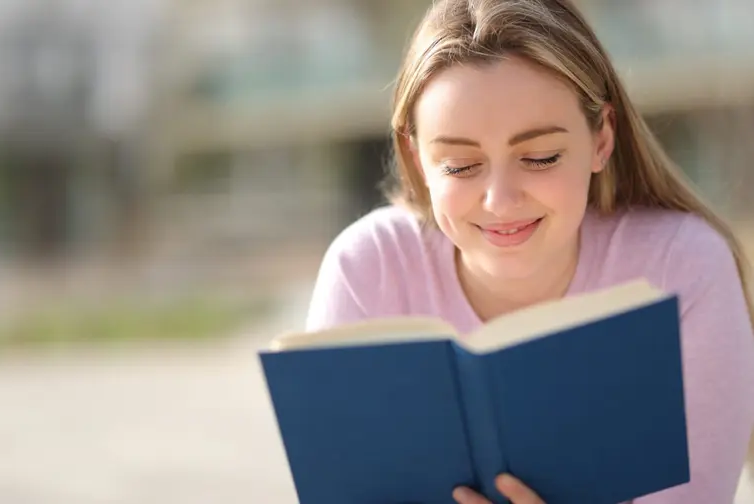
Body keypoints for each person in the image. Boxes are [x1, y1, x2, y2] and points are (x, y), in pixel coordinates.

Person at [304, 0, 754, 502]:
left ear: (602, 138)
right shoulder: (366, 271)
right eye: (458, 165)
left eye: (540, 158)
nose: (500, 200)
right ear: (417, 157)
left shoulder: (682, 267)